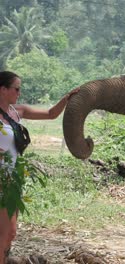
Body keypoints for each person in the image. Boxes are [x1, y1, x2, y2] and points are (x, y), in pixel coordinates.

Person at [0, 71, 79, 264]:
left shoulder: (18, 111)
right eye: (16, 89)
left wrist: (66, 98)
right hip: (2, 179)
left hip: (14, 177)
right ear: (3, 90)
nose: (19, 93)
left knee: (8, 235)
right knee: (7, 232)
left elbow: (51, 114)